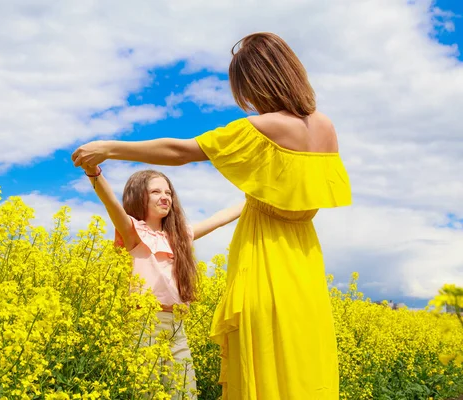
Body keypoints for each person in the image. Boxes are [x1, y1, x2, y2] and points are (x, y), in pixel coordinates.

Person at [72, 32, 352, 399]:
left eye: (246, 90)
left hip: (266, 254)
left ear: (259, 82)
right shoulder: (327, 128)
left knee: (263, 356)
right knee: (301, 351)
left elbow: (182, 150)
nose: (247, 102)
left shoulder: (266, 126)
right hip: (304, 258)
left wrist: (110, 147)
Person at [80, 165, 244, 399]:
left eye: (168, 193)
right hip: (144, 324)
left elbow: (219, 219)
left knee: (185, 392)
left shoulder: (180, 235)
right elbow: (111, 204)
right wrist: (94, 174)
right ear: (138, 196)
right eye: (156, 192)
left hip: (177, 325)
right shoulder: (132, 231)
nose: (165, 197)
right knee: (146, 391)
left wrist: (255, 198)